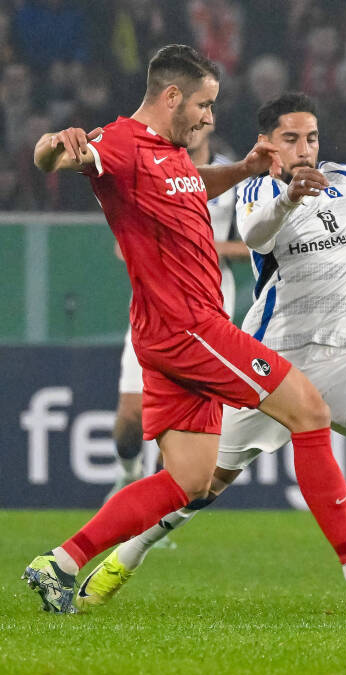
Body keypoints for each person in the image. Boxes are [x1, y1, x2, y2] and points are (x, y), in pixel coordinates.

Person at [73, 92, 346, 611]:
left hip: (345, 358)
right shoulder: (257, 190)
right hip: (273, 367)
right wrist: (290, 198)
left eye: (311, 137)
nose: (304, 149)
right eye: (290, 139)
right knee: (199, 485)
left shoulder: (343, 181)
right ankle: (126, 557)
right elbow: (255, 235)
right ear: (267, 144)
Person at [23, 44, 346, 614]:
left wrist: (246, 170)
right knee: (310, 410)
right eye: (204, 104)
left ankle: (61, 562)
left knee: (191, 482)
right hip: (188, 327)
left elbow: (190, 185)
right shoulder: (121, 146)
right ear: (171, 96)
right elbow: (54, 160)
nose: (209, 117)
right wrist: (54, 145)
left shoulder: (169, 156)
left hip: (171, 333)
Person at [106, 123, 248, 506]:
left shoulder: (233, 175)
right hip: (155, 305)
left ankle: (152, 509)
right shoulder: (154, 171)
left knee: (178, 420)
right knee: (130, 421)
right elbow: (124, 245)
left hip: (209, 308)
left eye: (204, 111)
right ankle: (128, 474)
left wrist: (204, 246)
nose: (195, 123)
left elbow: (257, 242)